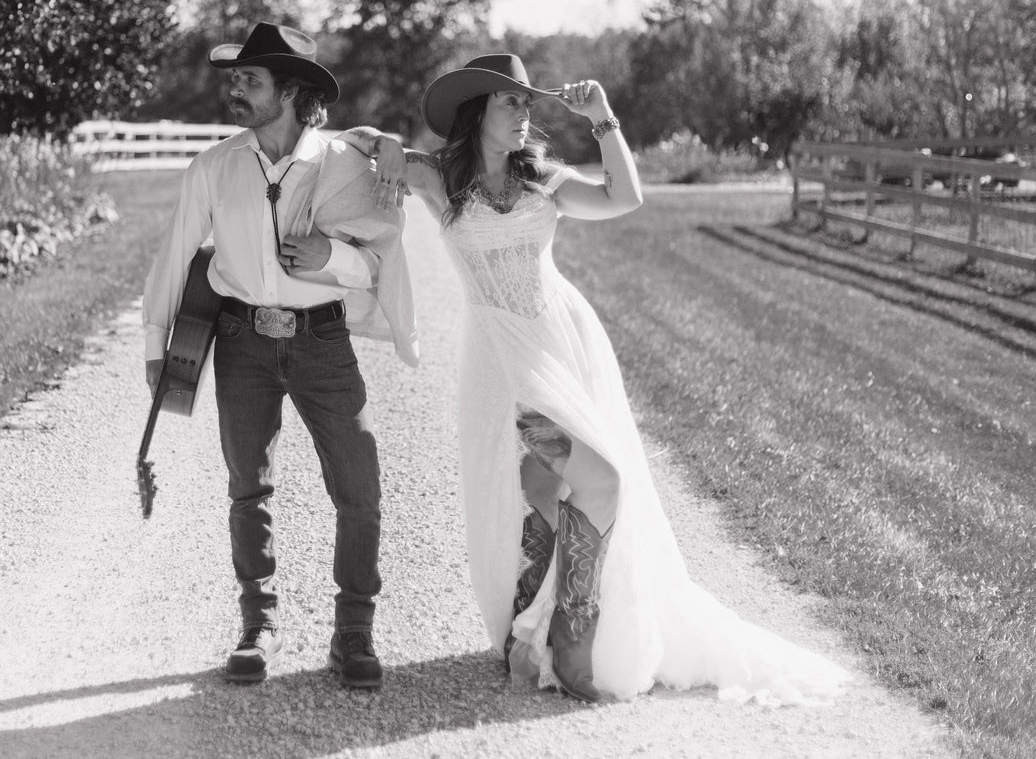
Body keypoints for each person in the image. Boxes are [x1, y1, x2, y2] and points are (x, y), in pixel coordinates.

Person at [358, 53, 850, 704]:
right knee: (538, 490)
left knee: (584, 480)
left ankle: (565, 638)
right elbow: (351, 143)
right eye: (511, 102)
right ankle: (533, 636)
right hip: (499, 354)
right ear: (477, 110)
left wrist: (603, 120)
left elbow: (625, 196)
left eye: (528, 103)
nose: (525, 114)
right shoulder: (438, 181)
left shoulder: (545, 180)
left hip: (560, 339)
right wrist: (383, 142)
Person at [143, 22, 417, 692]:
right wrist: (156, 348)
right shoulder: (213, 167)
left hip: (322, 340)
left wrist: (333, 258)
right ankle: (255, 624)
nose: (233, 89)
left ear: (292, 92)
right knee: (247, 485)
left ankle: (353, 631)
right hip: (240, 343)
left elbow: (381, 260)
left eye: (249, 79)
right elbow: (175, 255)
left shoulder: (348, 166)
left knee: (358, 486)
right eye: (233, 77)